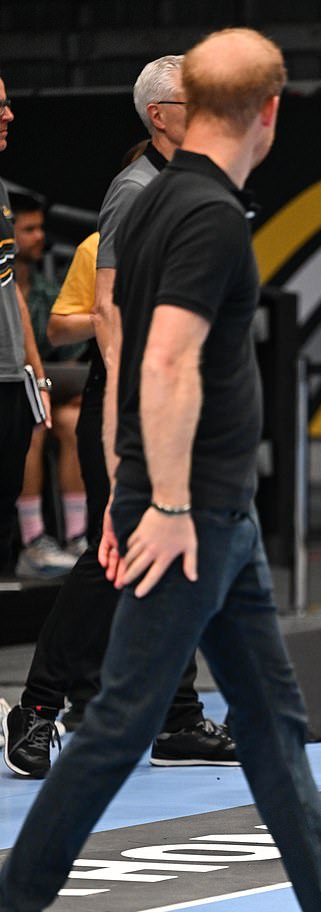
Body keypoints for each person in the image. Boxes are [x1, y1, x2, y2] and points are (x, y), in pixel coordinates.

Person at [0, 29, 321, 912]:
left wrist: (127, 489)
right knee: (121, 723)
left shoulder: (152, 196)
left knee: (272, 720)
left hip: (213, 514)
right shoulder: (202, 211)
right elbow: (157, 364)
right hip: (191, 513)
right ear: (272, 111)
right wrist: (157, 502)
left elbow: (118, 348)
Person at [2, 59, 236, 779]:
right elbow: (110, 316)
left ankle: (174, 716)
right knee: (116, 554)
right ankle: (39, 705)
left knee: (174, 552)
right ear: (160, 115)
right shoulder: (135, 194)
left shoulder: (194, 185)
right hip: (132, 405)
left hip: (175, 400)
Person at [11, 192, 87, 578]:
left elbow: (68, 354)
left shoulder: (46, 289)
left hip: (44, 387)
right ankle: (33, 541)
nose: (39, 236)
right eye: (29, 229)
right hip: (13, 394)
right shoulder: (5, 293)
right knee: (35, 424)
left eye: (41, 227)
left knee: (72, 420)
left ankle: (77, 538)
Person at [0, 78, 52, 580]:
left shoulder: (0, 190)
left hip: (11, 381)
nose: (10, 115)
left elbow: (10, 287)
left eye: (10, 103)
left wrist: (34, 369)